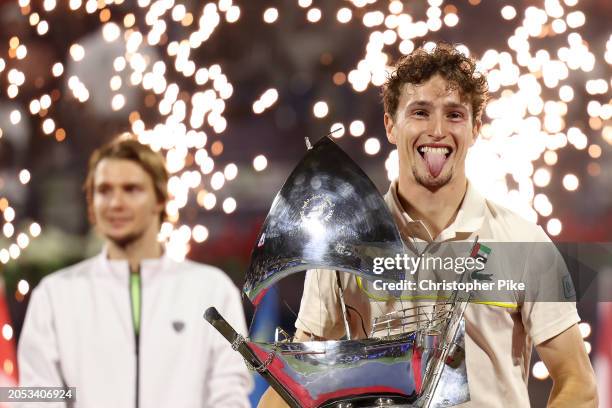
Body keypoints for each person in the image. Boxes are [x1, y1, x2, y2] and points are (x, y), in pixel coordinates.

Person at [259, 43, 597, 407]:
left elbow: (578, 384)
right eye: (420, 112)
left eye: (454, 115)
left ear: (475, 128)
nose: (437, 130)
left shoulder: (523, 242)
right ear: (391, 124)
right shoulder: (344, 244)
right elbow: (296, 387)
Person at [18, 136, 252, 407]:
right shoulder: (54, 295)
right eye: (104, 190)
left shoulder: (212, 289)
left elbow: (230, 393)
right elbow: (35, 396)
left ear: (161, 199)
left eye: (131, 189)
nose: (115, 203)